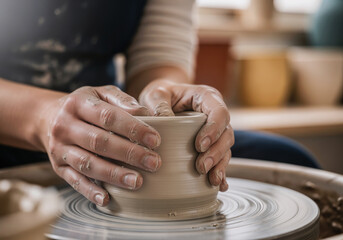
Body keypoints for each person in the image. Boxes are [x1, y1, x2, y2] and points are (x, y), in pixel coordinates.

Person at [0, 0, 318, 207]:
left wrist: (164, 91)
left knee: (293, 166)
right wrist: (44, 117)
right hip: (10, 128)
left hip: (109, 131)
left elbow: (156, 58)